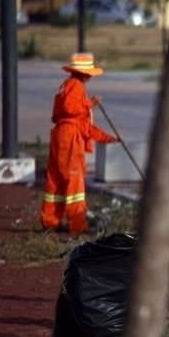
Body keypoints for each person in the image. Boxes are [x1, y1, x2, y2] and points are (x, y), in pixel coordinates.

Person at [41, 52, 118, 235]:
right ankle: (77, 225)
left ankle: (50, 221)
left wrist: (108, 138)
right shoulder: (75, 86)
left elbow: (84, 125)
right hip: (69, 137)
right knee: (74, 180)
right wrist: (89, 104)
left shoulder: (65, 86)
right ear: (85, 73)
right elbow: (71, 111)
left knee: (57, 180)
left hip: (60, 135)